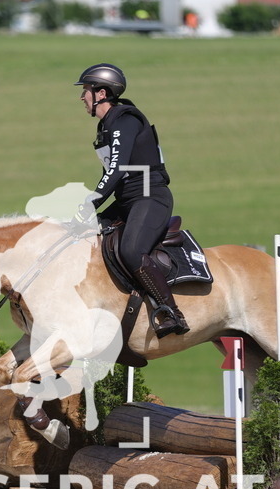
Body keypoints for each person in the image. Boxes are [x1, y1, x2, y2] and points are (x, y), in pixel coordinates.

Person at [73, 63, 189, 339]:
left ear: (101, 93)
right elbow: (112, 174)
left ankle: (170, 311)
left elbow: (116, 170)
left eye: (86, 91)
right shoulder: (107, 126)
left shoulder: (125, 120)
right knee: (78, 237)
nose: (82, 97)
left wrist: (89, 203)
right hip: (127, 199)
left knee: (131, 250)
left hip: (150, 196)